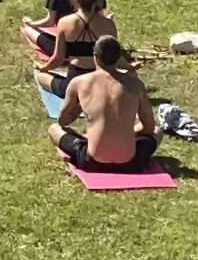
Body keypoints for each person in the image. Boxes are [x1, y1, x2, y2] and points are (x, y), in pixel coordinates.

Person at [49, 35, 161, 174]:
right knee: (157, 131)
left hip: (92, 161)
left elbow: (62, 121)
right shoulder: (135, 84)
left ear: (95, 56)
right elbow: (149, 127)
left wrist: (79, 107)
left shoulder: (79, 82)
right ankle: (118, 139)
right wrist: (128, 133)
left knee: (54, 129)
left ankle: (99, 141)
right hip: (130, 163)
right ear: (119, 58)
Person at [35, 0, 118, 99]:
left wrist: (43, 68)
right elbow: (115, 58)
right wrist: (130, 68)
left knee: (40, 76)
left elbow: (58, 59)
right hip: (100, 84)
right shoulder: (108, 25)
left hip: (74, 85)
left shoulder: (65, 23)